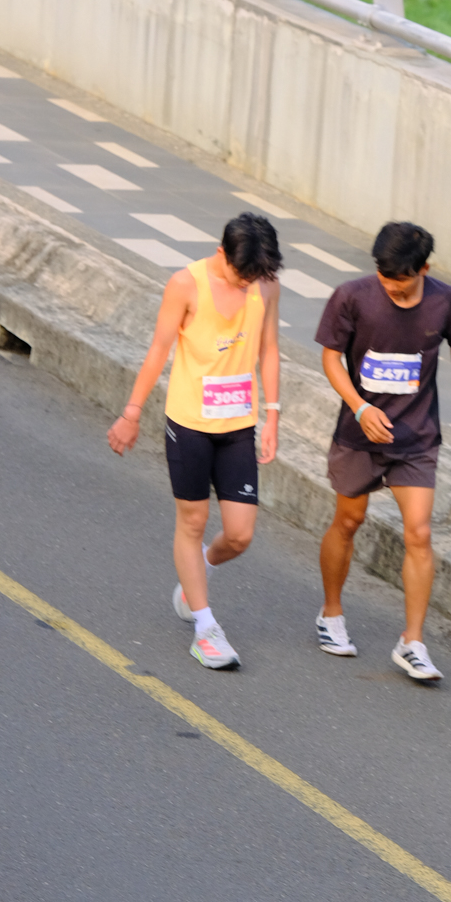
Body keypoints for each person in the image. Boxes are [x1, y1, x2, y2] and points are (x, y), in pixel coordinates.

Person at [107, 212, 281, 670]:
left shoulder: (265, 286)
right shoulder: (185, 285)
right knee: (193, 520)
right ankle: (205, 628)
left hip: (238, 424)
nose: (248, 284)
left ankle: (197, 569)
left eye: (255, 277)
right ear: (222, 253)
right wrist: (131, 413)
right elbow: (159, 350)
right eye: (242, 275)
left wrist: (273, 415)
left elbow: (269, 350)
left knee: (240, 535)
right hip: (189, 423)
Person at [314, 220, 451, 682]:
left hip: (416, 437)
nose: (391, 286)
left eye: (400, 280)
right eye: (384, 277)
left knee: (419, 533)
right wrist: (360, 407)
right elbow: (330, 357)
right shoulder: (352, 296)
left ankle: (413, 642)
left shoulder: (446, 301)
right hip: (359, 434)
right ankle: (331, 613)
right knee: (349, 521)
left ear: (424, 269)